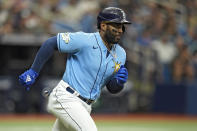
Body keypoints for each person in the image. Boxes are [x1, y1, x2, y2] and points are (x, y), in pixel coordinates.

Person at [19, 7, 131, 131]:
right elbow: (50, 43)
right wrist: (34, 71)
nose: (120, 30)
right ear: (103, 26)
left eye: (122, 26)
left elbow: (112, 88)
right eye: (116, 25)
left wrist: (118, 83)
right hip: (67, 97)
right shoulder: (84, 40)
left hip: (86, 106)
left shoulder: (121, 54)